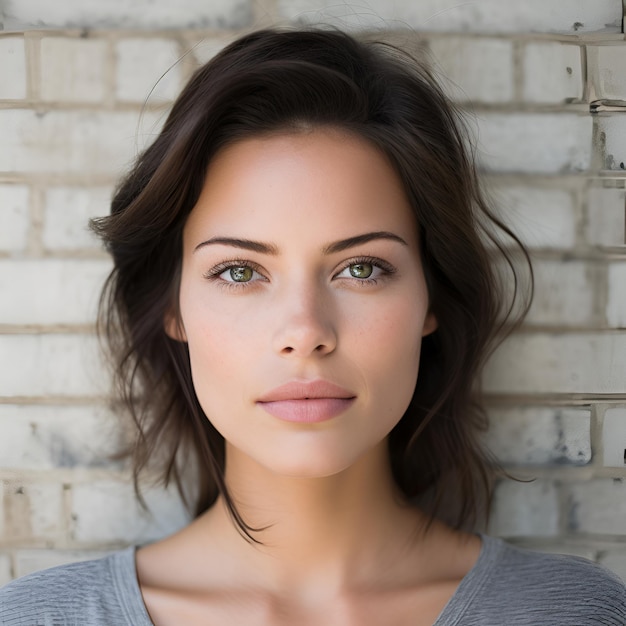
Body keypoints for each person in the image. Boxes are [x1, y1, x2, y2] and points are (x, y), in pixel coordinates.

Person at [1, 27, 624, 626]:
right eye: (240, 272)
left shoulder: (577, 614)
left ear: (431, 296)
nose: (305, 331)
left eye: (361, 267)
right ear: (174, 308)